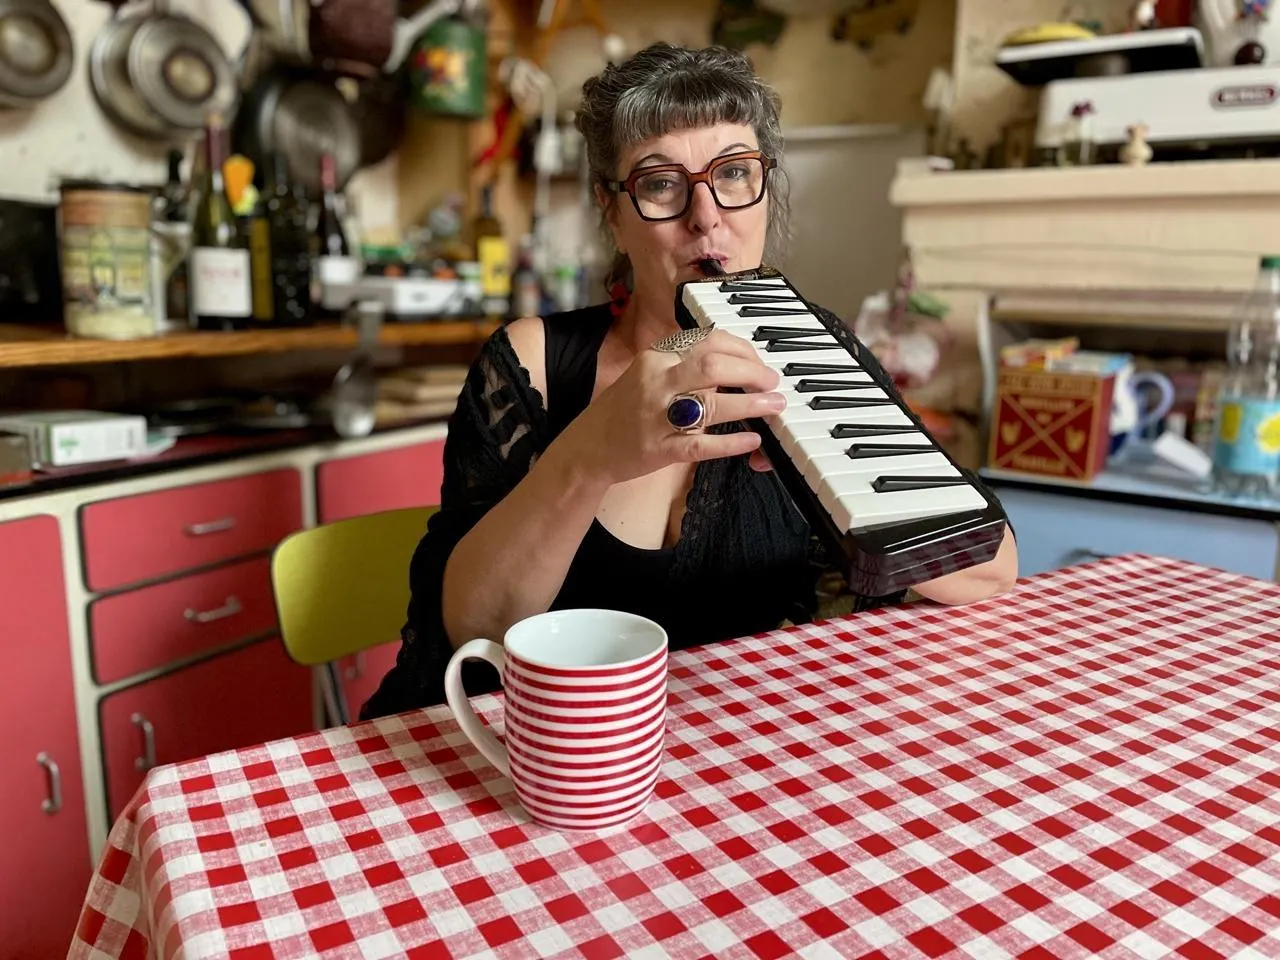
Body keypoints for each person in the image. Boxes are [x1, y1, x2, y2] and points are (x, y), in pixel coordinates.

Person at [360, 42, 1017, 719]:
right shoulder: (535, 363)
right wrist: (589, 454)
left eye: (733, 173)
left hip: (729, 750)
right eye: (661, 183)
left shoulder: (818, 356)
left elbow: (994, 566)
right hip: (531, 748)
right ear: (612, 211)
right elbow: (475, 631)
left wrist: (847, 479)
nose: (707, 216)